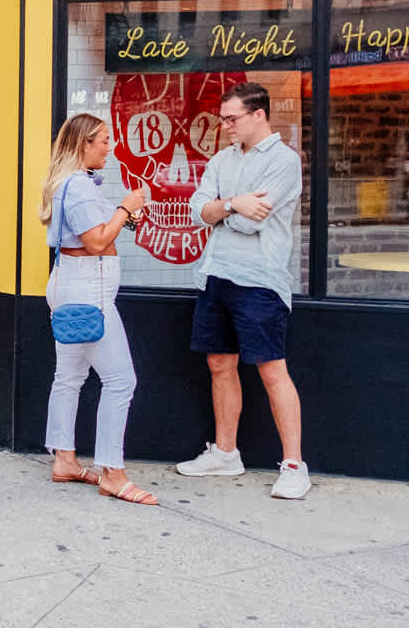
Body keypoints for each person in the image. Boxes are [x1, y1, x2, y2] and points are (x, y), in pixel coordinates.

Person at [180, 81, 310, 499]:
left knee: (272, 370)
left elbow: (254, 221)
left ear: (258, 115)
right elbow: (197, 211)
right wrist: (234, 203)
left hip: (260, 279)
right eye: (223, 119)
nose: (226, 126)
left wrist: (224, 208)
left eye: (232, 118)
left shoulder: (284, 161)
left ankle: (294, 465)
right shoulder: (221, 159)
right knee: (219, 364)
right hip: (216, 274)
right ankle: (225, 453)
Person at [41, 113, 155, 506]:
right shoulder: (79, 187)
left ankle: (65, 459)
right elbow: (95, 241)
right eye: (103, 140)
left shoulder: (71, 183)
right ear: (83, 144)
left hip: (69, 284)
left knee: (69, 377)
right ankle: (112, 472)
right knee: (121, 381)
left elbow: (96, 233)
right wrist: (125, 206)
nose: (110, 146)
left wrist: (126, 216)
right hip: (88, 290)